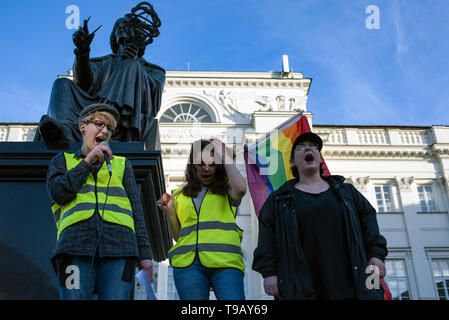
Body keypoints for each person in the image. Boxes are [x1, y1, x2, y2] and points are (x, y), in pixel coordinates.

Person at [252, 132, 388, 300]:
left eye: (314, 146)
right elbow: (267, 238)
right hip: (301, 288)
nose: (308, 148)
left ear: (319, 158)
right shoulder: (278, 200)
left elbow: (369, 222)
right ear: (293, 161)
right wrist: (269, 273)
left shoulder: (347, 192)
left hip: (354, 284)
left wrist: (376, 255)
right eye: (301, 147)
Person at [46, 103, 154, 300]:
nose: (104, 130)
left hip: (120, 248)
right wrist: (87, 162)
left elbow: (137, 212)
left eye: (109, 128)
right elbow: (58, 192)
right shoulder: (62, 160)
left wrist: (145, 255)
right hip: (74, 247)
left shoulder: (122, 164)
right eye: (99, 124)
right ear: (82, 127)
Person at [36, 2, 165, 149]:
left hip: (123, 118)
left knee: (130, 65)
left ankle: (108, 124)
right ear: (115, 38)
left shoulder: (153, 70)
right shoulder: (102, 62)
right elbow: (84, 83)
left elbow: (153, 103)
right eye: (121, 31)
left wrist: (133, 66)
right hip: (91, 107)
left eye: (129, 32)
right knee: (61, 84)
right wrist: (82, 53)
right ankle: (64, 130)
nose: (124, 34)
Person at [157, 139, 247, 300]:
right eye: (201, 164)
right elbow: (178, 236)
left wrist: (224, 154)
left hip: (225, 263)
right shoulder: (180, 195)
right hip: (188, 265)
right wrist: (169, 212)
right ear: (193, 166)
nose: (206, 169)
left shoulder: (227, 190)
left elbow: (241, 189)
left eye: (212, 164)